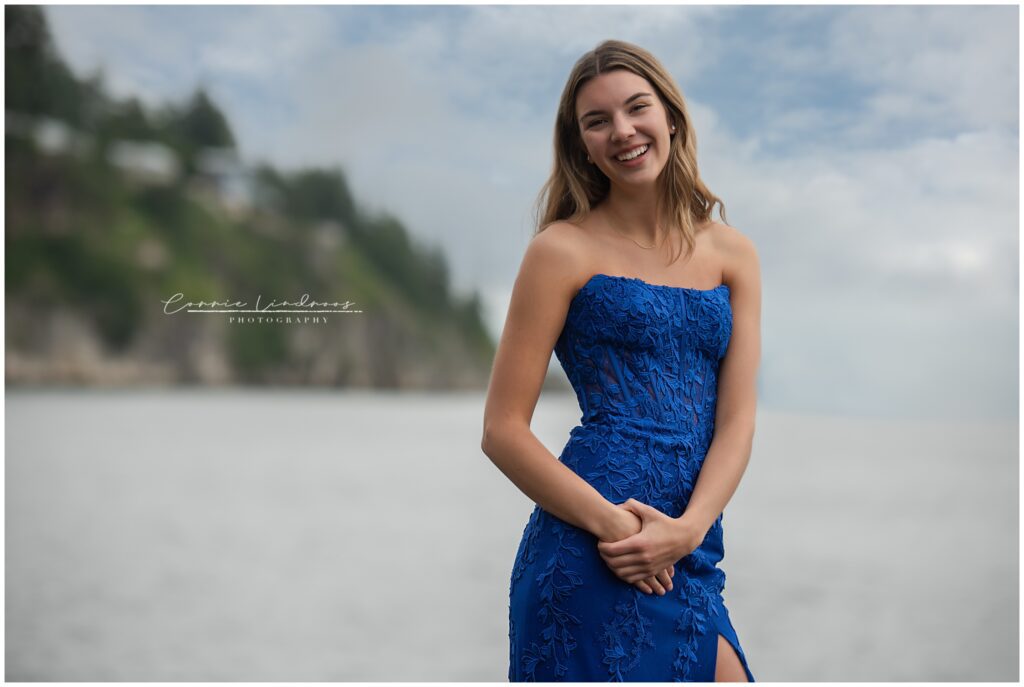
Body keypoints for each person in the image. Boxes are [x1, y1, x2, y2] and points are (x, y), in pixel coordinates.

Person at [481, 39, 761, 682]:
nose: (623, 131)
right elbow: (502, 430)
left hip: (688, 553)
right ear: (579, 142)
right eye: (597, 120)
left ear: (671, 117)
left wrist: (688, 531)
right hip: (592, 547)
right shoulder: (561, 250)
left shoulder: (733, 254)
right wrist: (615, 528)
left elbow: (737, 421)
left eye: (637, 108)